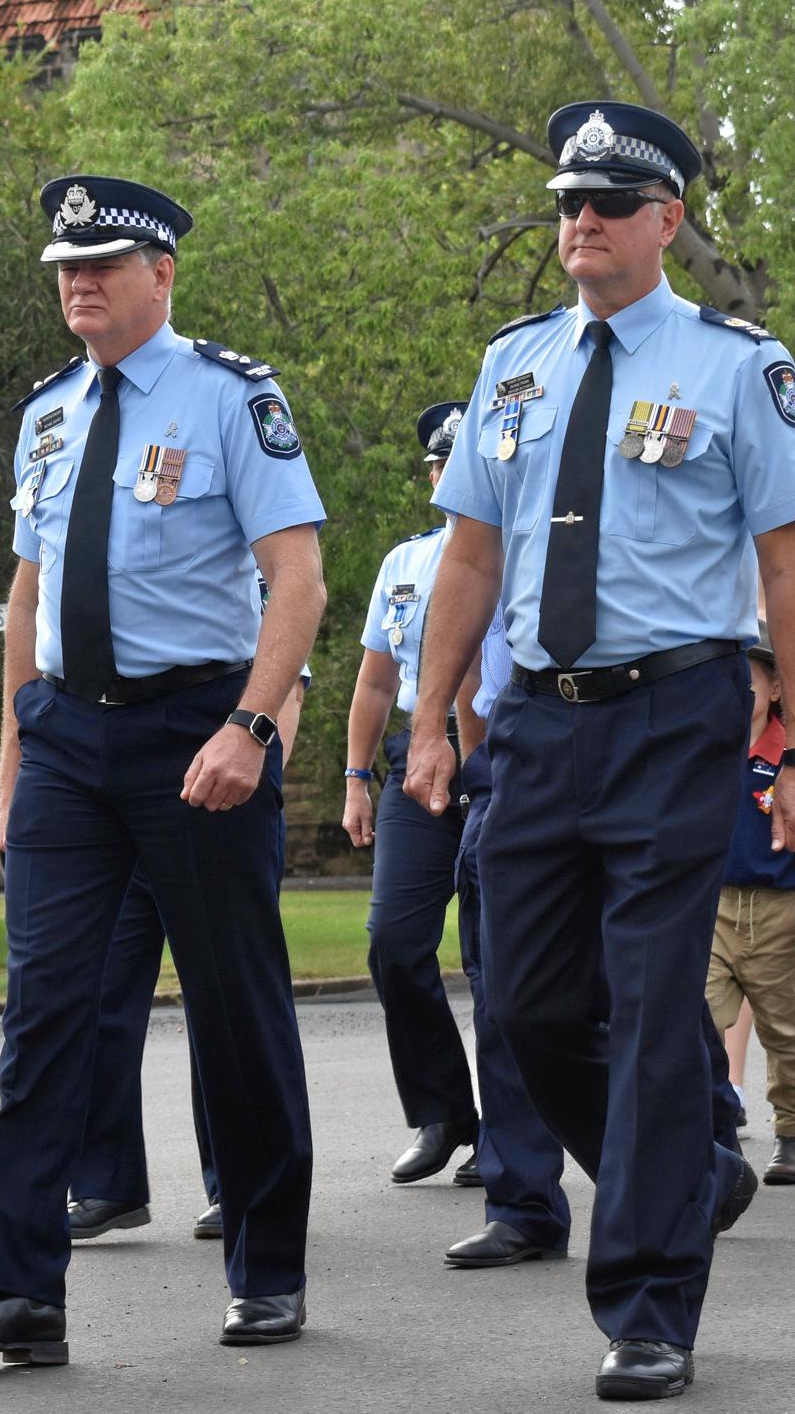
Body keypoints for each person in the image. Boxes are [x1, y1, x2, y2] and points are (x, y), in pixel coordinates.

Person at [405, 100, 795, 1400]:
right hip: (537, 714)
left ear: (666, 220)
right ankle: (691, 1175)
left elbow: (787, 563)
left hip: (674, 707)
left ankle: (648, 1301)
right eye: (564, 205)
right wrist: (431, 718)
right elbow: (471, 557)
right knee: (530, 1006)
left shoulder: (733, 365)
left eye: (606, 203)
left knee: (653, 1007)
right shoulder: (511, 365)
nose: (577, 222)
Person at [0, 175, 326, 1364]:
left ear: (163, 274)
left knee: (233, 1008)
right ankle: (18, 1292)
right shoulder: (46, 413)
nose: (78, 282)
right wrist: (15, 743)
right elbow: (30, 594)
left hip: (195, 729)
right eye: (64, 266)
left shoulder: (232, 398)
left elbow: (295, 581)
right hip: (66, 744)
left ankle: (267, 1266)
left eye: (102, 263)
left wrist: (251, 728)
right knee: (44, 1014)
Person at [64, 659, 312, 1244]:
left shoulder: (249, 573)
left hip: (222, 797)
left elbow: (288, 697)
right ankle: (107, 1182)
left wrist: (259, 775)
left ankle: (236, 1183)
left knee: (222, 1002)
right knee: (105, 987)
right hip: (126, 800)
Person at [343, 400, 480, 1184]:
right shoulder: (403, 563)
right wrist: (358, 778)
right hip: (412, 759)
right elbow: (372, 679)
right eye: (437, 466)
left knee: (496, 955)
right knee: (395, 942)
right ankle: (444, 1111)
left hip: (494, 753)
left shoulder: (517, 548)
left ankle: (513, 1134)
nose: (445, 476)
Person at [441, 607, 579, 1270]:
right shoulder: (479, 538)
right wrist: (479, 775)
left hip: (629, 739)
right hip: (509, 758)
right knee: (500, 995)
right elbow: (470, 660)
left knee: (637, 974)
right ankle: (524, 1203)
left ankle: (700, 1147)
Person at [706, 621, 795, 1187]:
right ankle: (717, 1134)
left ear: (777, 690)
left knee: (783, 1030)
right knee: (700, 1025)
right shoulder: (708, 752)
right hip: (713, 911)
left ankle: (792, 1135)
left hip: (778, 912)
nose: (741, 696)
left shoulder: (793, 757)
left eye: (751, 684)